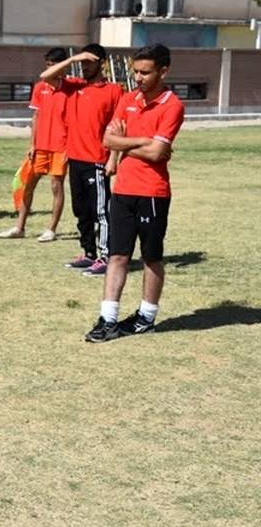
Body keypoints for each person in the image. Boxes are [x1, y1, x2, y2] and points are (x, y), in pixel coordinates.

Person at [85, 44, 184, 342]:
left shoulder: (172, 105)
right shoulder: (127, 99)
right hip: (123, 190)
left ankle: (146, 317)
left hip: (153, 192)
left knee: (151, 257)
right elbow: (107, 139)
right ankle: (108, 319)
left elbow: (156, 153)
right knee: (117, 255)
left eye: (145, 72)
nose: (138, 78)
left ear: (163, 71)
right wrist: (140, 140)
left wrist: (126, 141)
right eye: (135, 72)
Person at [42, 43, 123, 275]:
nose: (85, 67)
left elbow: (118, 128)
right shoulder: (73, 86)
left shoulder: (114, 90)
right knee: (81, 211)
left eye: (89, 62)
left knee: (101, 212)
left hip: (97, 160)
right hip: (75, 159)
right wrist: (74, 58)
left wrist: (113, 158)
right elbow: (45, 76)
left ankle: (107, 257)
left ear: (102, 63)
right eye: (83, 63)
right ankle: (88, 253)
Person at [0, 47, 70, 241]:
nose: (49, 69)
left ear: (62, 66)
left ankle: (51, 230)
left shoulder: (70, 88)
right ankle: (19, 227)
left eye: (53, 65)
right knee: (28, 185)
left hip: (61, 147)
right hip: (40, 146)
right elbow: (35, 117)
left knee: (56, 187)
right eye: (47, 65)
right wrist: (32, 144)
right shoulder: (40, 87)